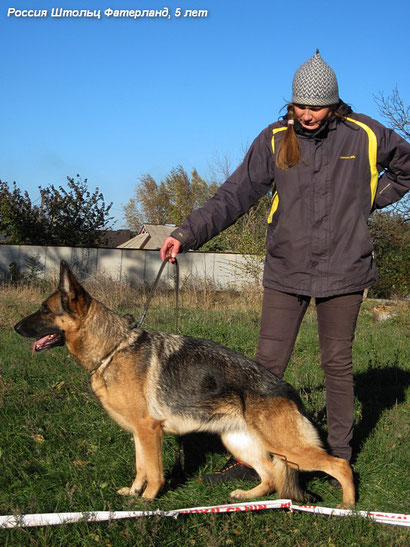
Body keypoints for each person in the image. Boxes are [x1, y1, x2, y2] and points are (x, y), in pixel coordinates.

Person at [160, 50, 410, 483]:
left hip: (346, 268)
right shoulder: (274, 138)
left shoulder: (365, 134)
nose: (308, 115)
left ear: (334, 103)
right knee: (264, 369)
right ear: (290, 103)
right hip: (286, 269)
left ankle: (336, 457)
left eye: (316, 106)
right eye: (300, 105)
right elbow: (233, 195)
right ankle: (253, 460)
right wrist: (186, 233)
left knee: (337, 364)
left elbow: (406, 171)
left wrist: (367, 198)